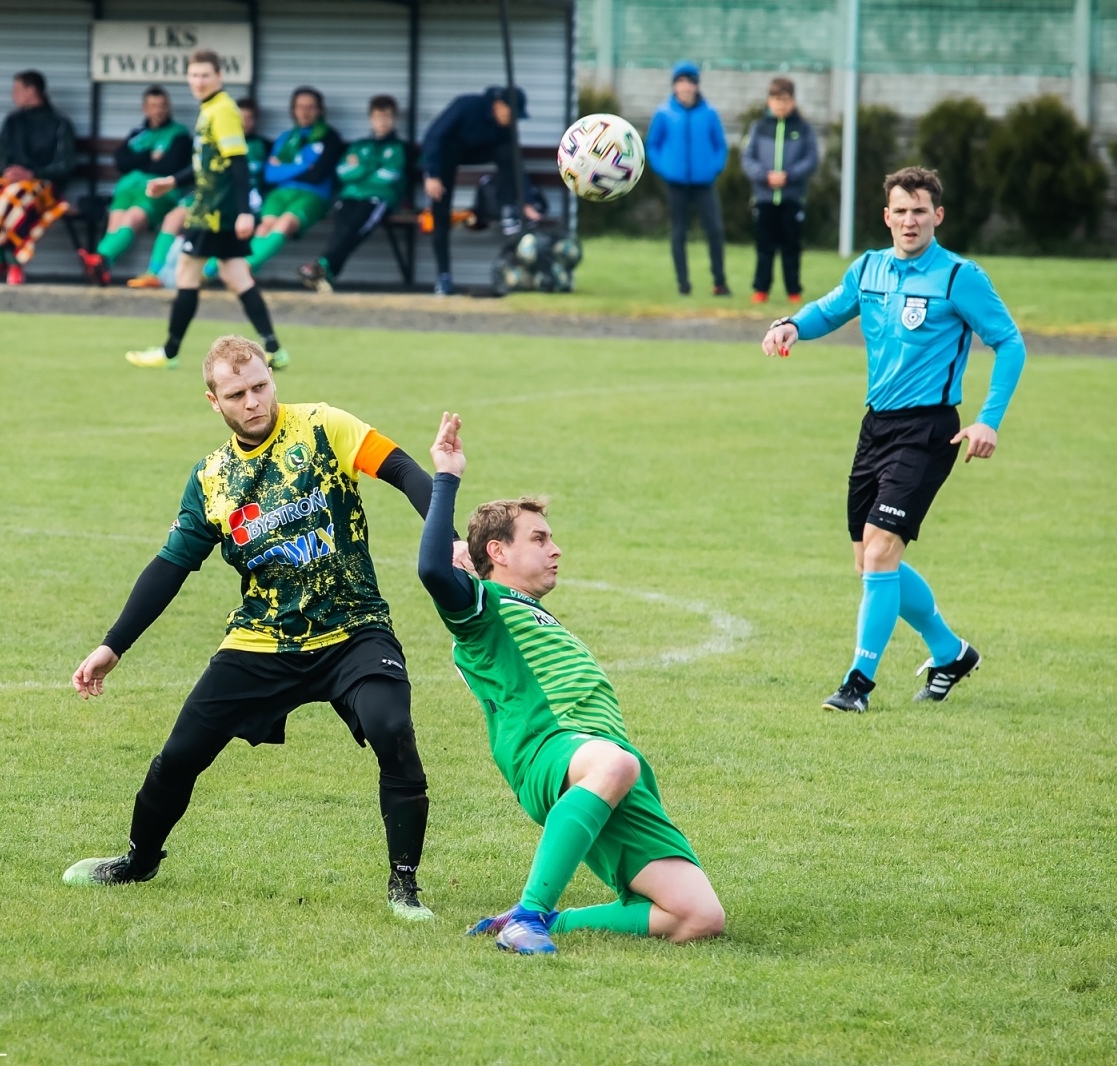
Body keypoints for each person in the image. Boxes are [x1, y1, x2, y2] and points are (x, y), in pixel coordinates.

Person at [66, 335, 452, 921]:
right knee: (180, 755)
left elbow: (401, 469)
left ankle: (405, 886)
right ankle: (138, 860)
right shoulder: (212, 479)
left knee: (391, 727)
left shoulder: (322, 426)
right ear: (213, 401)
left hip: (354, 628)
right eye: (237, 394)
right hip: (261, 641)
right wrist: (111, 646)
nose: (253, 402)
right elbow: (171, 567)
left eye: (261, 386)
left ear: (272, 378)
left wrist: (446, 533)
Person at [417, 412, 725, 955]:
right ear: (498, 552)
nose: (555, 548)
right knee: (615, 764)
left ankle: (550, 920)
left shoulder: (524, 608)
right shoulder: (483, 609)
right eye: (539, 538)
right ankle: (528, 920)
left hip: (604, 759)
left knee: (698, 915)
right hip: (551, 749)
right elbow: (434, 572)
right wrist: (447, 474)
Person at [760, 166, 1027, 713]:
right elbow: (830, 310)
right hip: (876, 427)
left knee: (882, 551)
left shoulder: (958, 276)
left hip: (930, 429)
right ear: (887, 217)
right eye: (901, 211)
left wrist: (988, 419)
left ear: (938, 216)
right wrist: (791, 325)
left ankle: (857, 684)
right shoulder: (870, 269)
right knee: (869, 563)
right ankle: (950, 652)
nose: (910, 221)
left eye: (920, 211)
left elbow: (1010, 343)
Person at [125, 52, 285, 371]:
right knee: (236, 275)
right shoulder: (211, 108)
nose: (198, 81)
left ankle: (169, 353)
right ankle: (274, 349)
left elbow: (238, 163)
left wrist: (244, 212)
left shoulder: (222, 110)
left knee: (187, 272)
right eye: (193, 75)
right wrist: (171, 181)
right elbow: (206, 165)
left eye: (205, 75)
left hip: (213, 211)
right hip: (217, 208)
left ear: (219, 76)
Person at [129, 97, 267, 290]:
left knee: (224, 256)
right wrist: (172, 181)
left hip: (236, 203)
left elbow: (255, 175)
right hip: (207, 197)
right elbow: (199, 168)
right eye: (239, 118)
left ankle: (205, 275)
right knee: (174, 218)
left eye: (248, 118)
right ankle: (154, 273)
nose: (243, 123)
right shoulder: (216, 144)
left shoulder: (259, 146)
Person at [205, 87, 342, 281]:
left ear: (320, 110)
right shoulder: (286, 137)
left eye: (310, 107)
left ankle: (243, 269)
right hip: (280, 193)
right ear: (293, 110)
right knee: (263, 227)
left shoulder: (329, 137)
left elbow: (317, 175)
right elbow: (270, 175)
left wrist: (287, 169)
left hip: (312, 195)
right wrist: (304, 165)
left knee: (284, 223)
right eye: (300, 107)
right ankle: (211, 270)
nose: (305, 112)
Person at [420, 86, 539, 296]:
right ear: (499, 106)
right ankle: (443, 276)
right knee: (440, 213)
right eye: (511, 114)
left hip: (476, 152)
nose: (513, 121)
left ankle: (507, 209)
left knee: (507, 151)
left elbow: (516, 164)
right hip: (447, 154)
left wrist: (526, 201)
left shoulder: (505, 128)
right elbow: (433, 137)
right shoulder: (467, 106)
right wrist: (432, 175)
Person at [78, 85, 192, 286]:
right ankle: (102, 268)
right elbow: (121, 161)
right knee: (115, 224)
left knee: (132, 218)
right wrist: (149, 156)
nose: (159, 110)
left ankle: (100, 259)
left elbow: (169, 165)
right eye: (154, 105)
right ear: (144, 109)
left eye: (163, 105)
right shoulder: (138, 134)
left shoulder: (179, 135)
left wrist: (139, 161)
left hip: (157, 191)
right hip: (126, 189)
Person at [0, 70, 76, 286]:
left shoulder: (59, 123)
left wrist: (32, 174)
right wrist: (9, 172)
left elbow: (66, 164)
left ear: (31, 91)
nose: (13, 95)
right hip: (13, 183)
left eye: (17, 90)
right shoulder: (12, 121)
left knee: (15, 198)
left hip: (45, 185)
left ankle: (14, 263)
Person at [299, 95, 407, 293]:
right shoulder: (359, 145)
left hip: (378, 199)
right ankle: (325, 272)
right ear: (370, 119)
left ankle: (323, 265)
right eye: (378, 116)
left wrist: (360, 168)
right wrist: (371, 168)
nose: (382, 122)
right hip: (350, 196)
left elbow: (390, 176)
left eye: (387, 117)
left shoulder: (398, 147)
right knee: (341, 230)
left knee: (354, 230)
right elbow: (343, 172)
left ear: (394, 119)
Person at [646, 61, 729, 297]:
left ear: (695, 86)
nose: (685, 88)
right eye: (680, 83)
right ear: (674, 86)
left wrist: (713, 168)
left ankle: (719, 281)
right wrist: (665, 169)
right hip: (676, 184)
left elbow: (720, 145)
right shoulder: (664, 113)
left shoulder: (709, 113)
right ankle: (683, 283)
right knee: (678, 233)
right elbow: (653, 145)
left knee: (714, 231)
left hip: (704, 183)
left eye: (689, 83)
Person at [740, 77, 817, 306]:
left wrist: (789, 176)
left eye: (785, 100)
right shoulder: (759, 127)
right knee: (764, 245)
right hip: (764, 197)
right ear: (769, 101)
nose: (780, 104)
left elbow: (811, 159)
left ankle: (793, 291)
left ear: (793, 101)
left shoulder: (803, 129)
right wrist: (764, 176)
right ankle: (761, 289)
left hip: (792, 197)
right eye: (776, 99)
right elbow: (747, 157)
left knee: (791, 246)